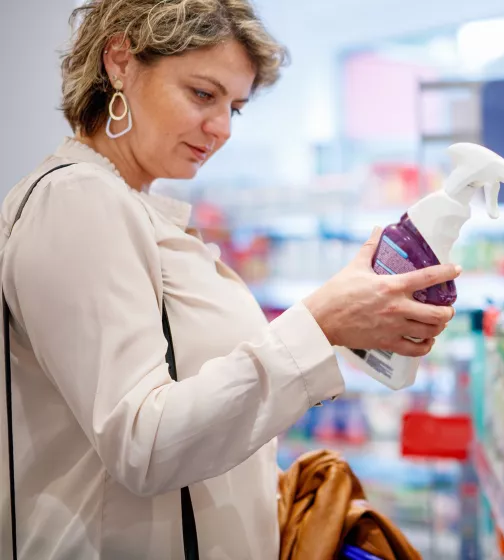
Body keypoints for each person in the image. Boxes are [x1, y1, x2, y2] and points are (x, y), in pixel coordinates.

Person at [0, 1, 459, 558]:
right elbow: (143, 444)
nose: (220, 128)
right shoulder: (78, 201)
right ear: (120, 61)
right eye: (202, 94)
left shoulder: (130, 205)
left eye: (234, 108)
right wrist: (321, 325)